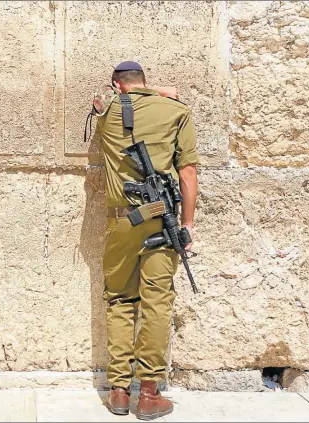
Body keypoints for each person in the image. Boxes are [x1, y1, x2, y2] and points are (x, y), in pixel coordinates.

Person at [96, 61, 199, 420]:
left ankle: (120, 391)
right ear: (145, 81)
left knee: (121, 300)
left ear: (116, 85)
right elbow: (187, 171)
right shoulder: (177, 111)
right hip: (161, 220)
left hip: (121, 223)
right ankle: (150, 393)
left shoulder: (107, 111)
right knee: (157, 302)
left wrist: (140, 91)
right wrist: (187, 223)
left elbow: (107, 97)